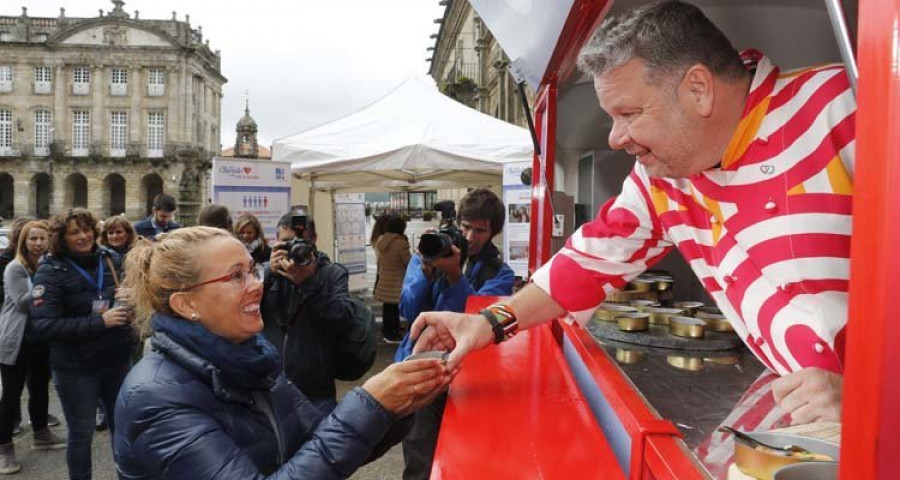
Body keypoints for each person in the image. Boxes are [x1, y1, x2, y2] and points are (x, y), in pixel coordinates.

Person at [410, 0, 854, 427]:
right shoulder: (660, 178)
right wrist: (488, 322)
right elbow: (585, 264)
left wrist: (868, 391)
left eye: (629, 113)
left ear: (697, 89)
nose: (616, 139)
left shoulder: (843, 108)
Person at [113, 226, 452, 479]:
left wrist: (401, 399)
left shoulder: (253, 360)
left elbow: (325, 443)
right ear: (186, 304)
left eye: (252, 269)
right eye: (235, 276)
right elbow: (331, 443)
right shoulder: (155, 398)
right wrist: (370, 403)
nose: (257, 284)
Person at [396, 189, 515, 480]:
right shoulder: (430, 252)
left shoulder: (501, 273)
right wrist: (425, 266)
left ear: (493, 232)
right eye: (465, 227)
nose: (470, 237)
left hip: (468, 374)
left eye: (479, 230)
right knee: (419, 454)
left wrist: (454, 276)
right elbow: (409, 311)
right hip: (423, 366)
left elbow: (477, 321)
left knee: (464, 457)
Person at [30, 208, 134, 480]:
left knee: (123, 428)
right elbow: (44, 325)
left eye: (87, 229)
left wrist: (131, 298)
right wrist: (100, 322)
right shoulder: (50, 271)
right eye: (74, 232)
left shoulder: (110, 259)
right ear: (61, 237)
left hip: (116, 360)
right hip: (76, 368)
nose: (84, 236)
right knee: (81, 433)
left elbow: (130, 309)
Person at [260, 216, 352, 413]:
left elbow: (342, 318)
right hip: (270, 386)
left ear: (314, 240)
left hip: (315, 391)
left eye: (300, 243)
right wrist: (268, 275)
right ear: (276, 243)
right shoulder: (270, 275)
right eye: (287, 243)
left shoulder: (332, 274)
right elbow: (244, 311)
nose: (294, 250)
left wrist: (307, 283)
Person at [0, 221, 65, 474]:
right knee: (11, 395)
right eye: (32, 239)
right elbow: (24, 303)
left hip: (40, 338)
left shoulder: (46, 265)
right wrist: (47, 285)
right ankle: (4, 448)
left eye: (42, 239)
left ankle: (41, 433)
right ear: (23, 242)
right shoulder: (15, 268)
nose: (38, 243)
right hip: (16, 338)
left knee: (39, 389)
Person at [374, 215, 411, 343]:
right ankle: (391, 333)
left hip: (385, 277)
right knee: (394, 306)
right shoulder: (400, 243)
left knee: (388, 306)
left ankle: (390, 328)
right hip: (396, 279)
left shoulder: (382, 240)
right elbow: (408, 261)